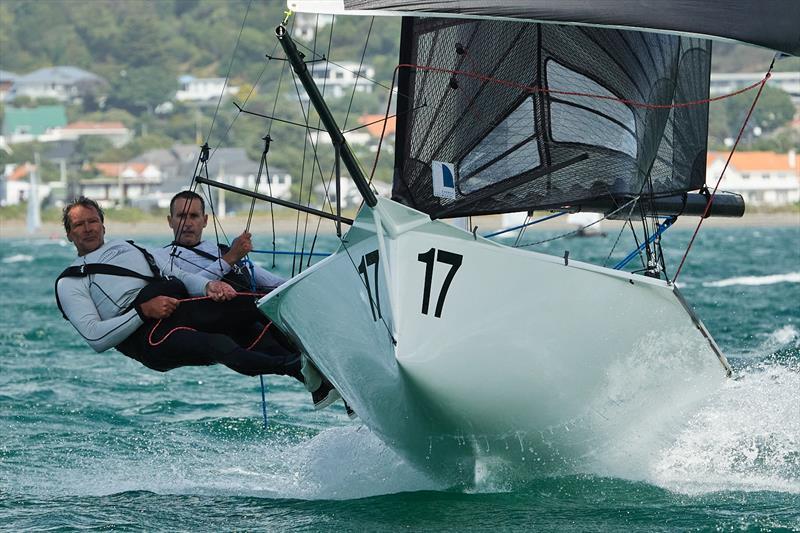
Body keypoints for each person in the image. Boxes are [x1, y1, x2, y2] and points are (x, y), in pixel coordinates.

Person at [54, 196, 337, 408]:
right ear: (69, 234)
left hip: (175, 310)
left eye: (92, 221)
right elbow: (95, 338)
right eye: (79, 225)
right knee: (219, 345)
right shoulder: (71, 281)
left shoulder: (131, 247)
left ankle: (324, 377)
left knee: (255, 304)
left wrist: (209, 285)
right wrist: (142, 312)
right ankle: (295, 366)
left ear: (103, 225)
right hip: (148, 338)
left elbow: (178, 275)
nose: (88, 229)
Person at [154, 190, 284, 293]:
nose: (188, 223)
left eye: (194, 216)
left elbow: (276, 284)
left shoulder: (222, 251)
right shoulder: (161, 257)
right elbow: (187, 287)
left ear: (205, 220)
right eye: (181, 216)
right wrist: (230, 258)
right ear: (170, 221)